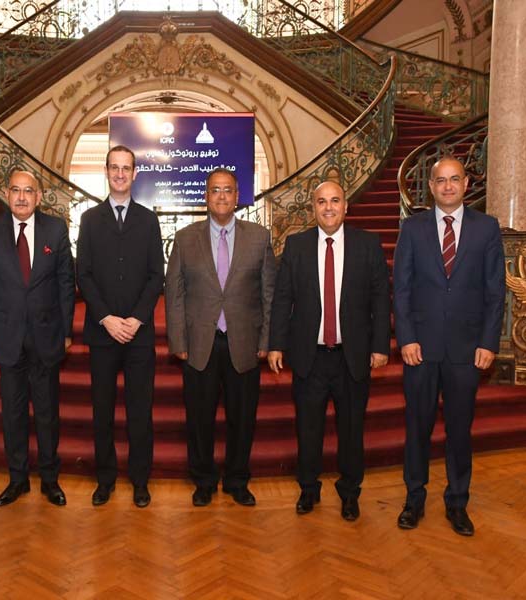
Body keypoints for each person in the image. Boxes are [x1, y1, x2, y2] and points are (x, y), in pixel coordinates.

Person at [393, 156, 505, 536]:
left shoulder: (487, 229)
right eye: (440, 180)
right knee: (417, 427)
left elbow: (495, 292)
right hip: (420, 349)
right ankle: (414, 499)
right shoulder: (412, 228)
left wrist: (489, 342)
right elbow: (402, 289)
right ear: (431, 186)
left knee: (459, 430)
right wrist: (405, 337)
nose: (447, 186)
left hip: (467, 350)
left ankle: (457, 502)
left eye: (454, 179)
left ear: (466, 182)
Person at [268, 180, 391, 521]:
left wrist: (381, 345)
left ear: (346, 206)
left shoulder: (367, 245)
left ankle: (350, 493)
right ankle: (308, 489)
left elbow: (381, 299)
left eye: (335, 200)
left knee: (352, 431)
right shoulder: (297, 246)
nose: (328, 207)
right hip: (310, 356)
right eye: (321, 202)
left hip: (353, 357)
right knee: (308, 429)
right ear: (313, 208)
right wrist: (276, 344)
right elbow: (282, 299)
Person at [165, 168, 275, 507]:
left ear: (238, 194)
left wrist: (266, 340)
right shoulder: (185, 238)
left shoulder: (259, 237)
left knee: (243, 419)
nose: (222, 196)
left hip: (244, 342)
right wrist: (178, 342)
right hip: (200, 344)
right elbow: (175, 295)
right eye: (215, 190)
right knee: (200, 418)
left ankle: (237, 480)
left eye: (228, 190)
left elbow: (268, 293)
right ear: (206, 196)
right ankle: (204, 480)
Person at [0, 170, 75, 507]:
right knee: (13, 414)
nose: (21, 196)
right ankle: (17, 479)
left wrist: (66, 332)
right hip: (6, 338)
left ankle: (50, 479)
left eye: (28, 191)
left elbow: (65, 285)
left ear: (39, 195)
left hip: (47, 337)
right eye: (15, 190)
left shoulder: (55, 229)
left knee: (47, 413)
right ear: (6, 192)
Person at [76, 145, 164, 508]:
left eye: (126, 168)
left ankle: (140, 481)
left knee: (140, 412)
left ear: (135, 173)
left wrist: (137, 318)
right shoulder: (90, 219)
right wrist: (107, 318)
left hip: (139, 334)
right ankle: (105, 478)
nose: (120, 174)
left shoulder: (148, 219)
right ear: (106, 171)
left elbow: (155, 275)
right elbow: (84, 274)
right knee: (103, 410)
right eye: (114, 167)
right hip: (102, 333)